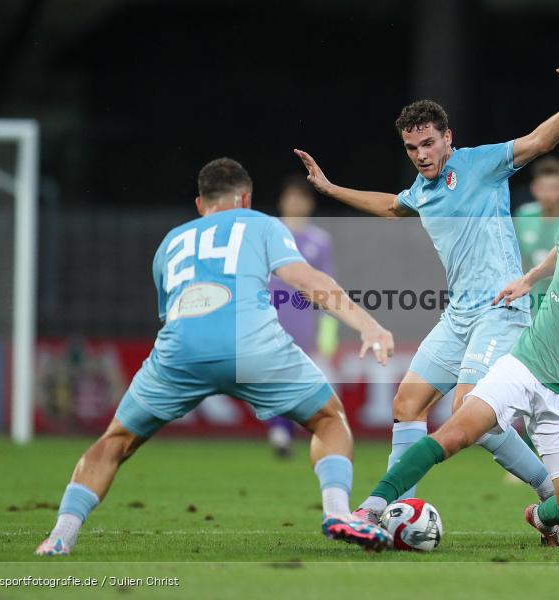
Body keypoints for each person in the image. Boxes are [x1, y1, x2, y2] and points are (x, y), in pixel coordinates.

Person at [295, 48, 559, 516]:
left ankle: (548, 496)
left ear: (447, 139)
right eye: (411, 148)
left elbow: (539, 141)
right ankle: (394, 513)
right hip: (459, 315)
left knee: (468, 411)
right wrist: (331, 188)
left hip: (500, 310)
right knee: (407, 403)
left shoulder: (481, 164)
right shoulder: (422, 190)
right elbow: (391, 207)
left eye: (428, 144)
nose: (421, 155)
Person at [35, 158, 395, 556]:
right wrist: (367, 325)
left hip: (180, 352)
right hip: (253, 347)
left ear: (199, 204)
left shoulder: (170, 242)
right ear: (245, 199)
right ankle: (338, 512)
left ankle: (60, 537)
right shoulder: (262, 224)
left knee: (115, 441)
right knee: (329, 419)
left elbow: (171, 312)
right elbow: (306, 280)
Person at [356, 168, 559, 550]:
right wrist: (528, 280)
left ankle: (541, 517)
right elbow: (558, 255)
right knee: (456, 431)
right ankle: (372, 508)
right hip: (524, 365)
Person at [266, 175, 338, 458]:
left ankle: (284, 430)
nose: (295, 203)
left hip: (302, 324)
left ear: (309, 203)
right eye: (291, 197)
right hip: (269, 320)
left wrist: (327, 332)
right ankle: (279, 430)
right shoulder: (267, 234)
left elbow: (327, 286)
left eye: (301, 197)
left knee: (296, 383)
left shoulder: (319, 241)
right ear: (282, 201)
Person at [514, 156, 559, 315]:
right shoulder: (522, 216)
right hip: (529, 301)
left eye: (554, 188)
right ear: (534, 188)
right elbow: (516, 259)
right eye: (543, 188)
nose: (548, 194)